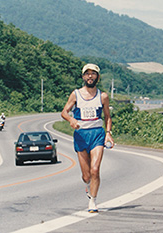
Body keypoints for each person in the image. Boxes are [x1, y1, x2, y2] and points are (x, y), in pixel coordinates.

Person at [61, 63, 114, 213]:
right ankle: (88, 186)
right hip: (81, 135)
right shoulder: (76, 94)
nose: (90, 76)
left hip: (97, 133)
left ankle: (93, 201)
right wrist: (71, 120)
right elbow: (64, 112)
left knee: (95, 169)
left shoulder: (103, 96)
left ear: (97, 76)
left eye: (93, 73)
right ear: (83, 76)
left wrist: (108, 133)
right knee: (86, 175)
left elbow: (107, 117)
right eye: (87, 73)